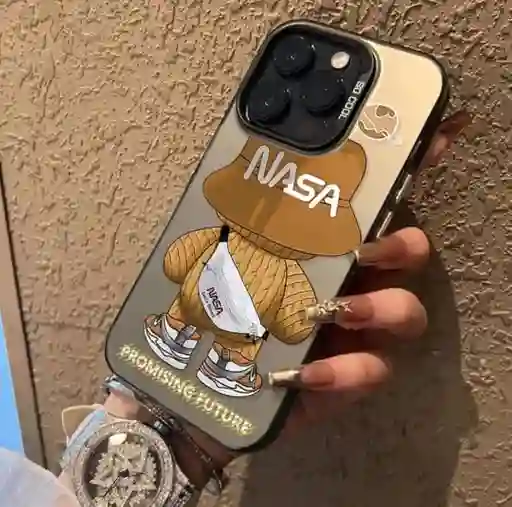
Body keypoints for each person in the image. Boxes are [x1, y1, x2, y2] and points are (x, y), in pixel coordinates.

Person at [0, 112, 470, 507]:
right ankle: (202, 348)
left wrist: (172, 438)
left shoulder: (267, 264)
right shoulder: (235, 246)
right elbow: (193, 267)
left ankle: (208, 352)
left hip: (198, 363)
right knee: (216, 331)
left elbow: (280, 316)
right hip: (194, 346)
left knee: (227, 336)